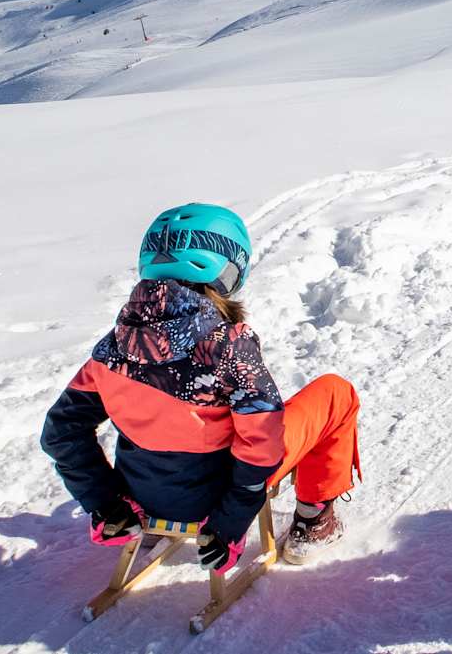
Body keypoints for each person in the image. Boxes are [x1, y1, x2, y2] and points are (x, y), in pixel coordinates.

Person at [41, 203, 360, 571]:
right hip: (217, 504)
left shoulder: (114, 347)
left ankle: (154, 520)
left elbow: (61, 431)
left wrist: (106, 502)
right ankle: (314, 521)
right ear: (227, 268)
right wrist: (229, 523)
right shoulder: (228, 347)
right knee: (336, 393)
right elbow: (261, 449)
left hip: (142, 496)